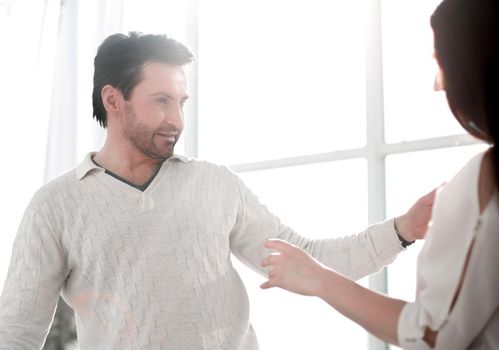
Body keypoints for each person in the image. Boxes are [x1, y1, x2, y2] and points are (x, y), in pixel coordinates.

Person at [0, 32, 434, 350]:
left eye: (181, 102)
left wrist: (403, 229)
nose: (177, 119)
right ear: (113, 100)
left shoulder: (214, 184)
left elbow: (310, 259)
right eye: (161, 101)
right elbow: (17, 332)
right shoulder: (54, 207)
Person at [260, 0, 499, 348]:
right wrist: (404, 228)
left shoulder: (484, 176)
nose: (438, 84)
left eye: (441, 63)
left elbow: (433, 334)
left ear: (474, 65)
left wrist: (319, 280)